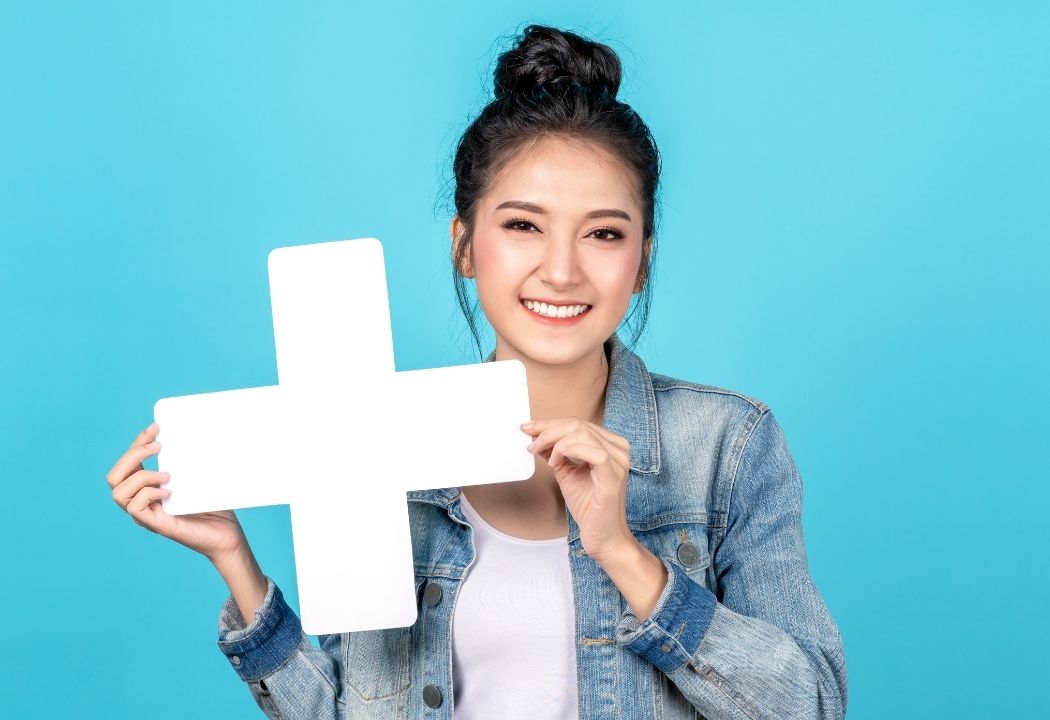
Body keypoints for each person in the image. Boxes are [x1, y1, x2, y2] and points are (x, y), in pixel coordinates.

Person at [106, 24, 847, 720]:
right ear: (464, 245)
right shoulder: (376, 443)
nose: (560, 270)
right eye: (523, 225)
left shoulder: (728, 446)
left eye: (604, 233)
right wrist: (236, 563)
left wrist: (622, 552)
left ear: (642, 261)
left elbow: (810, 703)